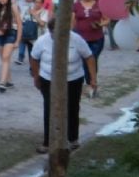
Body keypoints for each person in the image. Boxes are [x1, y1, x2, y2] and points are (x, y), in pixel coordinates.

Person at [30, 18, 97, 153]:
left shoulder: (76, 39)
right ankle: (48, 142)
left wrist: (93, 79)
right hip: (49, 79)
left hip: (73, 78)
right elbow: (34, 58)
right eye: (53, 33)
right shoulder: (42, 41)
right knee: (49, 108)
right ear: (49, 31)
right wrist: (36, 77)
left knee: (72, 107)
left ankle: (73, 139)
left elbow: (89, 57)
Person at [72, 0, 108, 93]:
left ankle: (92, 82)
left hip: (97, 38)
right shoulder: (76, 5)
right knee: (85, 61)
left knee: (92, 59)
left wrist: (100, 24)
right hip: (81, 39)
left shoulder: (99, 4)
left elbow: (107, 19)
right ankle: (90, 83)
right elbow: (72, 21)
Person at [17, 0, 48, 66]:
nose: (37, 4)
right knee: (30, 52)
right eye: (36, 2)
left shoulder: (44, 12)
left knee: (36, 53)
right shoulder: (27, 9)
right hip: (26, 34)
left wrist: (34, 14)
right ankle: (32, 68)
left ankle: (36, 68)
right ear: (33, 2)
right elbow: (21, 20)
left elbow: (42, 23)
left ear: (42, 3)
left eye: (40, 2)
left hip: (38, 36)